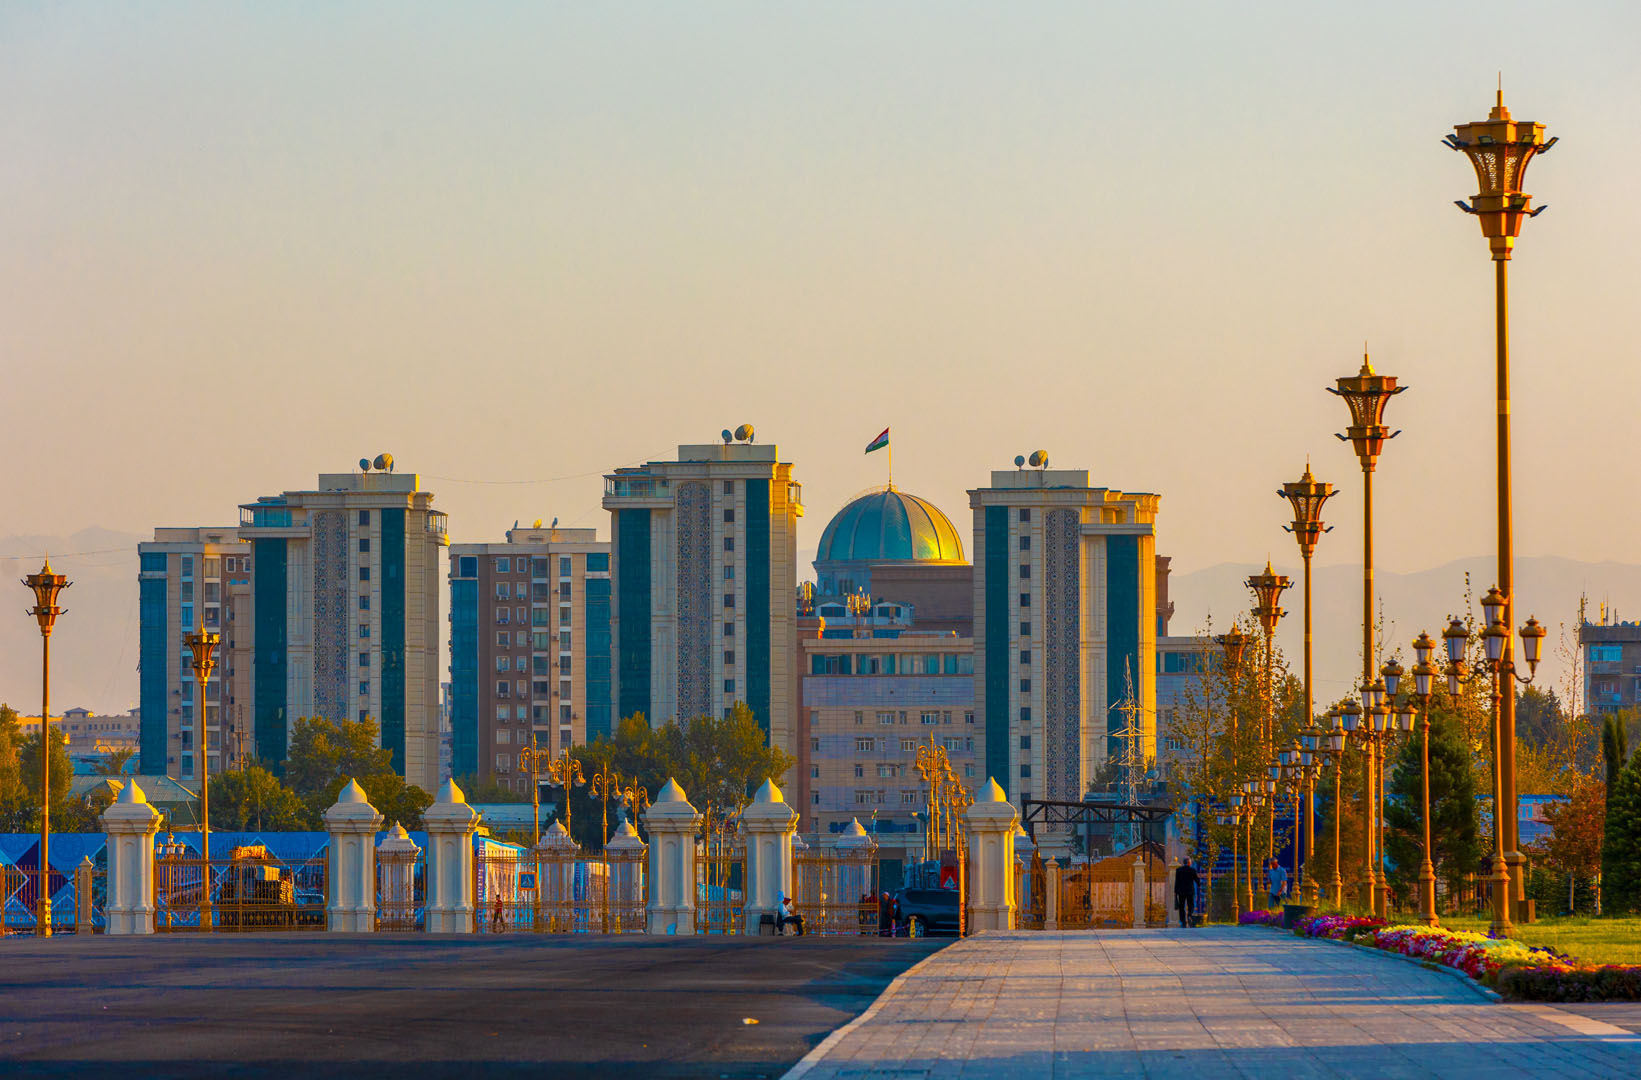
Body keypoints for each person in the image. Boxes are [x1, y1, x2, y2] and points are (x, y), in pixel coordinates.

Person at [1173, 857, 1200, 928]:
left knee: (1181, 907)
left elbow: (1177, 881)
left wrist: (1175, 891)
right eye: (1190, 862)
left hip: (1181, 891)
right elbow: (1196, 879)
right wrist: (1199, 885)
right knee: (1191, 905)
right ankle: (1189, 915)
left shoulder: (1179, 870)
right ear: (1189, 863)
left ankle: (1183, 921)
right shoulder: (1192, 870)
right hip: (1190, 891)